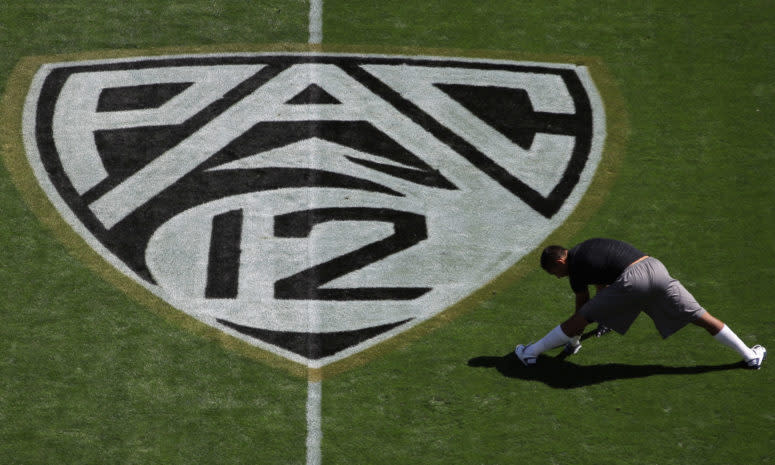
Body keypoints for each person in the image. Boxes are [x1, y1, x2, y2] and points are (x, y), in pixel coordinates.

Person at [515, 238, 767, 369]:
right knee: (701, 316)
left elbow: (582, 311)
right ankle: (750, 356)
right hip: (655, 268)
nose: (557, 277)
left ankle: (530, 353)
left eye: (554, 273)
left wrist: (574, 340)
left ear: (559, 262)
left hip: (633, 280)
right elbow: (602, 282)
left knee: (579, 318)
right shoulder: (587, 249)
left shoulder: (576, 269)